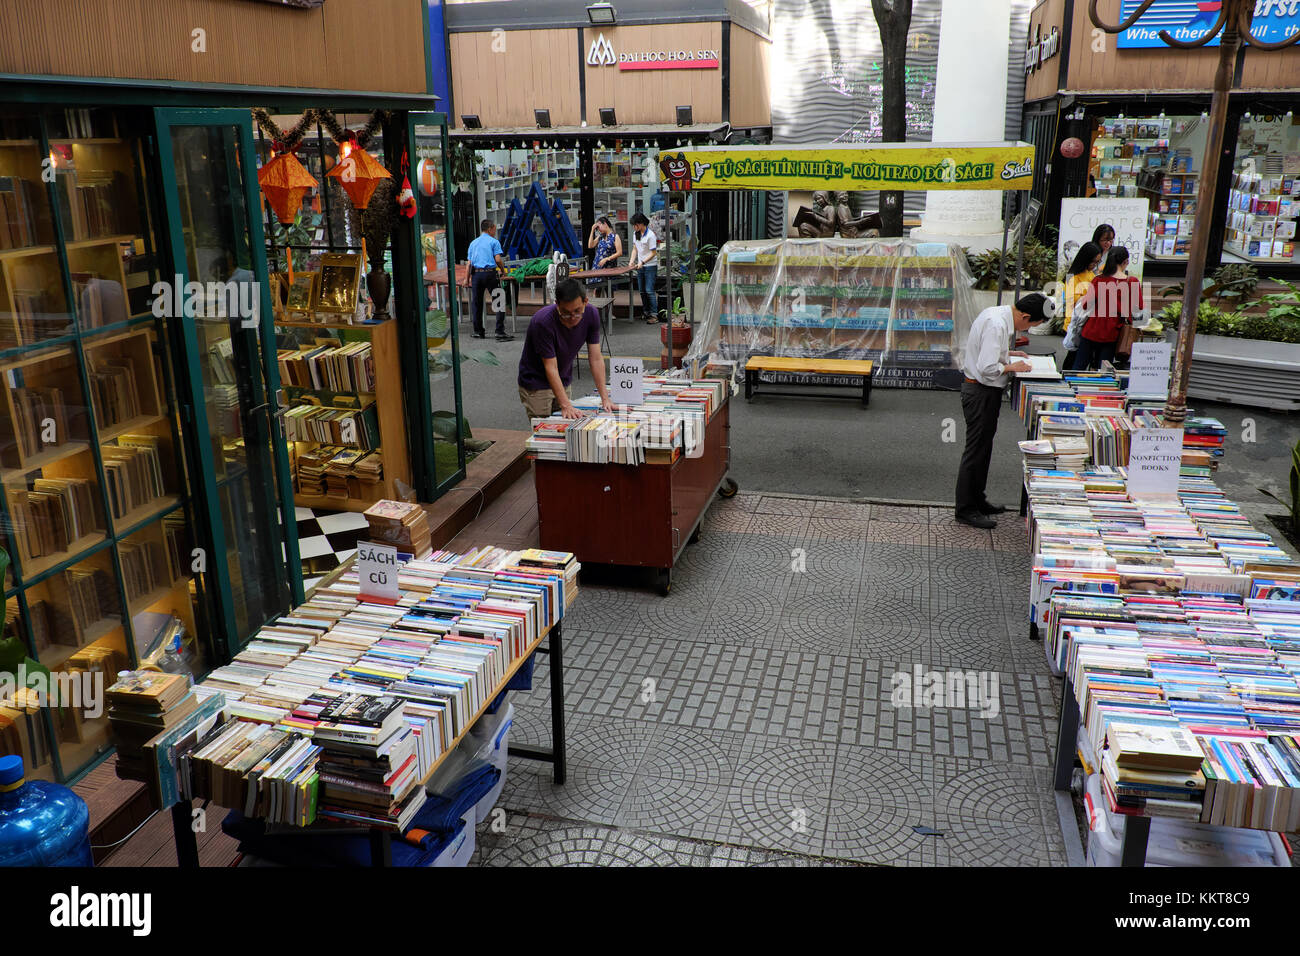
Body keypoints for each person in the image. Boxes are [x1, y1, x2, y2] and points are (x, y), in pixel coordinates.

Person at [954, 292, 1051, 529]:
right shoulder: (997, 324)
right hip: (980, 392)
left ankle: (977, 500)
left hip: (982, 392)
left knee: (983, 448)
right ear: (1025, 316)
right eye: (1031, 325)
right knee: (976, 450)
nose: (1026, 331)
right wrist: (1010, 365)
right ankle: (966, 509)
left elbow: (987, 352)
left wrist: (1008, 354)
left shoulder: (998, 315)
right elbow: (987, 368)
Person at [517, 278, 615, 422]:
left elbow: (595, 358)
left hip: (563, 379)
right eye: (565, 313)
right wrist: (565, 405)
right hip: (536, 384)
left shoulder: (591, 314)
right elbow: (551, 367)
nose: (572, 318)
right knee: (543, 431)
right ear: (557, 304)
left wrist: (605, 398)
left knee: (567, 424)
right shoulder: (542, 322)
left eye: (577, 311)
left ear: (585, 302)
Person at [1075, 246, 1142, 371]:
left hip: (1091, 331)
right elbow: (1138, 311)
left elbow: (1085, 305)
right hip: (1112, 334)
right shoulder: (1132, 281)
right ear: (1125, 262)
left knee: (1078, 368)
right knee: (1104, 372)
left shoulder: (1098, 279)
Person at [466, 218, 512, 342]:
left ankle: (478, 331)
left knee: (477, 303)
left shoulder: (473, 243)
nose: (494, 232)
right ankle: (499, 332)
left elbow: (469, 264)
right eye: (494, 230)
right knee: (499, 300)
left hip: (476, 275)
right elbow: (497, 260)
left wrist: (467, 279)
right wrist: (503, 270)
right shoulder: (494, 242)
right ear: (490, 229)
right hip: (490, 274)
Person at [1061, 241, 1103, 370]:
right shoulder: (1072, 277)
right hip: (1074, 324)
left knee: (1077, 358)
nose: (1095, 265)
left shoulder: (1091, 274)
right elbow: (1071, 302)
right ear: (1085, 259)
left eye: (1098, 262)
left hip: (1084, 323)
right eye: (1094, 262)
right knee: (1073, 358)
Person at [628, 213, 660, 324]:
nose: (634, 227)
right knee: (642, 291)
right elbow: (635, 249)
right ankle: (646, 312)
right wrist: (631, 261)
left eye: (635, 225)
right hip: (640, 266)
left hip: (650, 266)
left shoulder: (650, 235)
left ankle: (654, 315)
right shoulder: (635, 234)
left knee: (649, 290)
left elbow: (653, 253)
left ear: (641, 224)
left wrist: (642, 262)